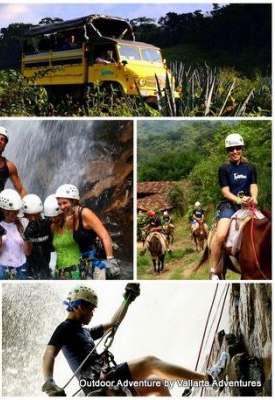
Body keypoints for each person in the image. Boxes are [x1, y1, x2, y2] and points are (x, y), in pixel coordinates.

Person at [42, 284, 231, 396]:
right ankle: (209, 379)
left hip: (102, 386)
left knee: (159, 384)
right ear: (80, 307)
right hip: (100, 382)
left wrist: (127, 299)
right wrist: (49, 381)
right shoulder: (65, 328)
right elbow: (49, 353)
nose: (92, 314)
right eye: (91, 309)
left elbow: (113, 323)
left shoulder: (84, 332)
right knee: (150, 362)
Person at [210, 133, 258, 280]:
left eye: (238, 148)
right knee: (221, 234)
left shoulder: (250, 167)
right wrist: (238, 201)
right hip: (229, 206)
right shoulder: (224, 169)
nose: (235, 151)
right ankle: (214, 270)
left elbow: (254, 186)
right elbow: (225, 192)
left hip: (248, 206)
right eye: (231, 149)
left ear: (242, 149)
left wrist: (254, 198)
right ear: (228, 151)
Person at [55, 184, 119, 280]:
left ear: (74, 201)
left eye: (65, 203)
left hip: (96, 261)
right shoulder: (68, 217)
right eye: (59, 204)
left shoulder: (85, 213)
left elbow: (105, 236)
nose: (62, 207)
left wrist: (110, 262)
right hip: (80, 262)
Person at [0, 189, 32, 280]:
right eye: (12, 211)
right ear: (3, 210)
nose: (16, 213)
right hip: (0, 270)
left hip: (21, 269)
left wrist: (24, 235)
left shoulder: (24, 222)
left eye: (17, 211)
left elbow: (28, 252)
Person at [46, 194, 81, 279]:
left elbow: (77, 210)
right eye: (51, 218)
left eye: (56, 217)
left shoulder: (72, 222)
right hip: (59, 270)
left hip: (75, 270)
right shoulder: (53, 227)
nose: (53, 220)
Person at [22, 194, 53, 279]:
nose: (34, 218)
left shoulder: (47, 224)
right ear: (24, 214)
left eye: (36, 215)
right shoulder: (21, 226)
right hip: (28, 271)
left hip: (45, 269)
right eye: (30, 215)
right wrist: (26, 237)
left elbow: (53, 248)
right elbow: (27, 252)